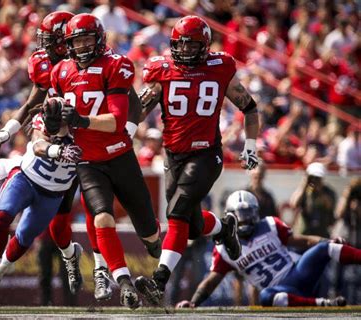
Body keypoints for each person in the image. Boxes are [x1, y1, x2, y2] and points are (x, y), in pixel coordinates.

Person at [0, 11, 143, 299]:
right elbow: (34, 103)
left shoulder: (104, 61)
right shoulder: (50, 66)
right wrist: (8, 131)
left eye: (49, 40)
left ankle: (99, 270)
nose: (44, 47)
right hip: (59, 141)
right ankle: (70, 255)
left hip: (93, 141)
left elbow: (133, 104)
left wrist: (126, 130)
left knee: (97, 209)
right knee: (58, 226)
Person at [134, 15, 258, 306]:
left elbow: (250, 108)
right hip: (173, 154)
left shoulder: (220, 67)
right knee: (188, 225)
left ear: (205, 46)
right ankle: (222, 228)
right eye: (181, 45)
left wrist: (251, 145)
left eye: (192, 46)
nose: (186, 51)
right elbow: (138, 113)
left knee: (176, 215)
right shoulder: (161, 69)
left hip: (206, 153)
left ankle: (158, 282)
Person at [48, 13, 161, 309]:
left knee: (150, 235)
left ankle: (158, 265)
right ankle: (123, 283)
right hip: (89, 161)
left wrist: (80, 120)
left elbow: (116, 121)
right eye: (77, 40)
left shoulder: (116, 65)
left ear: (98, 39)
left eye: (87, 39)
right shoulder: (60, 72)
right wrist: (51, 126)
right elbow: (59, 124)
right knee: (101, 217)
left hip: (120, 155)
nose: (83, 46)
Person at [176, 190, 361, 308]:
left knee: (325, 247)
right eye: (240, 216)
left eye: (248, 214)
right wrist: (193, 302)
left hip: (298, 273)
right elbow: (211, 281)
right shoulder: (225, 248)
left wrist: (329, 240)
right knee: (266, 297)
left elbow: (303, 242)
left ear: (256, 213)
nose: (244, 220)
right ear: (230, 217)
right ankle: (325, 304)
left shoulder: (270, 225)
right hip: (281, 292)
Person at [0, 102, 82, 298]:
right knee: (3, 217)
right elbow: (38, 145)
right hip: (25, 178)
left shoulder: (83, 131)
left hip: (52, 194)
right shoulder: (41, 121)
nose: (51, 126)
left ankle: (0, 270)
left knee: (24, 237)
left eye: (57, 121)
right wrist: (59, 151)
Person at [290, 162, 337, 238]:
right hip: (304, 234)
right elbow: (294, 204)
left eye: (318, 178)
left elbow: (330, 206)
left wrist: (320, 190)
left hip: (322, 233)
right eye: (313, 177)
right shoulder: (304, 190)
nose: (315, 180)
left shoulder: (328, 191)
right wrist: (304, 184)